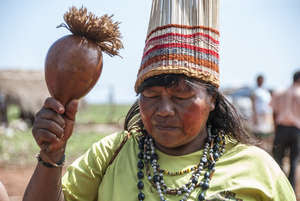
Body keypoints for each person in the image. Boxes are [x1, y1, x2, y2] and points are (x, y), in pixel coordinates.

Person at [23, 0, 296, 201]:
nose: (163, 110)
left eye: (181, 97)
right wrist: (52, 154)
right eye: (151, 96)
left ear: (212, 99)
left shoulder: (258, 170)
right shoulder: (112, 154)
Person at [270, 70, 300, 190]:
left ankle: (278, 187)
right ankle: (290, 189)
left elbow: (274, 112)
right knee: (294, 161)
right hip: (296, 130)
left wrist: (276, 127)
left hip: (281, 128)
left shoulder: (280, 92)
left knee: (277, 159)